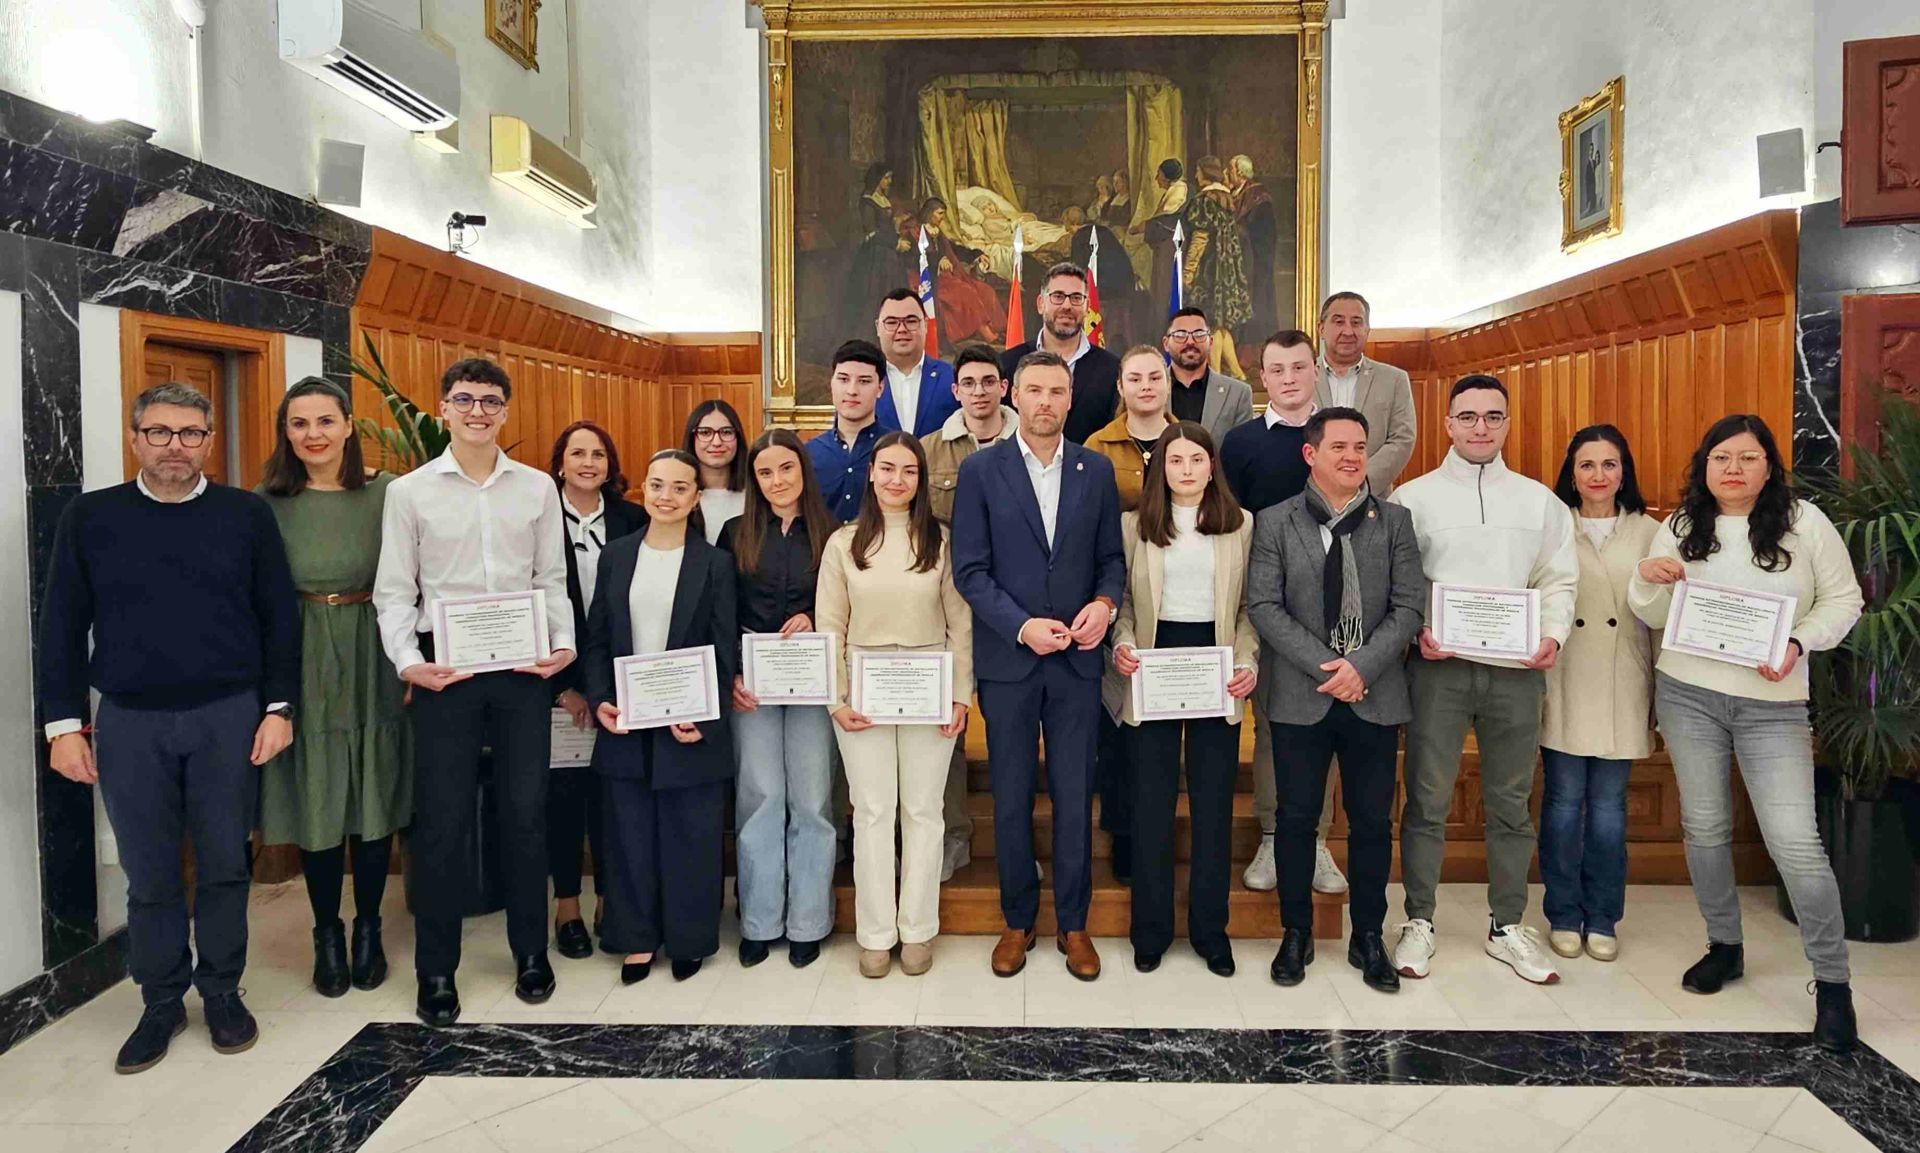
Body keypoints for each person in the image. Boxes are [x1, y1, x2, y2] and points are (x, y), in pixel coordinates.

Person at [40, 381, 297, 1073]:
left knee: (222, 864)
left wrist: (279, 708)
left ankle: (220, 991)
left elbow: (279, 617)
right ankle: (159, 1001)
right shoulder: (91, 517)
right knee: (149, 872)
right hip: (128, 721)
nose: (174, 446)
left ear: (209, 441)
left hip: (228, 716)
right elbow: (60, 627)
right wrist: (63, 725)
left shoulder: (245, 515)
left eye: (189, 433)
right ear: (135, 439)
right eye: (159, 432)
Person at [1629, 414, 1864, 1052]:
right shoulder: (1678, 527)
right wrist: (1647, 581)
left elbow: (1844, 602)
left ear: (1769, 466)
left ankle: (1833, 983)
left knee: (1795, 842)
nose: (1733, 469)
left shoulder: (1805, 523)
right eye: (1721, 458)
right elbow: (1647, 612)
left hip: (1773, 703)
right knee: (1705, 827)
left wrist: (1797, 642)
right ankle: (1724, 946)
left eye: (1748, 458)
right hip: (1689, 695)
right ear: (1703, 466)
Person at [374, 357, 577, 1027]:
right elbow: (395, 592)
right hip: (447, 673)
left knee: (526, 811)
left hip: (523, 670)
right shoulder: (410, 492)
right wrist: (409, 662)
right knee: (442, 822)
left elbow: (552, 577)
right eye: (465, 399)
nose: (478, 411)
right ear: (443, 409)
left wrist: (564, 645)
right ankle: (436, 968)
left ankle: (530, 953)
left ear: (506, 411)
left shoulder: (537, 488)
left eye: (491, 400)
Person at [1389, 374, 1578, 985]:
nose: (1479, 428)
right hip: (1438, 670)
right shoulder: (1412, 498)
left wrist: (1552, 635)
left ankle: (1507, 925)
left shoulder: (1537, 500)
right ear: (1447, 423)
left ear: (1506, 423)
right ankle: (1419, 919)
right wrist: (1418, 629)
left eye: (1492, 417)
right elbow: (1401, 582)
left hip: (1516, 672)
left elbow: (1558, 578)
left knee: (1510, 801)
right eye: (1467, 417)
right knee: (1428, 796)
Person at [952, 351, 1126, 981]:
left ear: (1071, 397)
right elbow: (969, 570)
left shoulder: (1096, 470)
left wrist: (1105, 606)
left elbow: (1112, 560)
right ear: (1011, 396)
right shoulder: (979, 470)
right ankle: (1017, 920)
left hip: (1078, 662)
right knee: (1012, 796)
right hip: (1012, 662)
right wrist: (1022, 626)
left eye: (1057, 391)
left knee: (1076, 797)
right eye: (1034, 390)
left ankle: (1073, 925)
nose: (1046, 401)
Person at [1248, 407, 1424, 993]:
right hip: (1302, 694)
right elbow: (1264, 607)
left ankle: (1368, 936)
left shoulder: (1393, 522)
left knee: (1373, 823)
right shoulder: (1275, 523)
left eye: (1359, 446)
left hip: (1374, 695)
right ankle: (1295, 933)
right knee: (1296, 820)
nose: (1352, 457)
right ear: (1311, 454)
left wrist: (1362, 667)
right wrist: (1330, 667)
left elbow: (1408, 608)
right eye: (1339, 447)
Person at [256, 378, 410, 998]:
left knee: (373, 792)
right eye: (299, 424)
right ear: (285, 433)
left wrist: (411, 662)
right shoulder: (265, 502)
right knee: (319, 796)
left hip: (375, 643)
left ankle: (369, 927)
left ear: (349, 424)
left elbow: (416, 578)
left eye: (325, 421)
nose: (313, 435)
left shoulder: (389, 493)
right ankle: (326, 932)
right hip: (302, 651)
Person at [818, 433, 974, 977]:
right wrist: (835, 700)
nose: (896, 480)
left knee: (924, 813)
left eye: (909, 471)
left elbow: (961, 622)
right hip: (863, 692)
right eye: (887, 469)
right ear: (871, 474)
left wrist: (959, 695)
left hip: (929, 689)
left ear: (921, 480)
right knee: (874, 812)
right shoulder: (844, 543)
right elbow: (830, 626)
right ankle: (876, 932)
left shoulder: (942, 542)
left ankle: (918, 929)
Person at [1107, 423, 1257, 976]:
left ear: (1212, 465)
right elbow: (1120, 603)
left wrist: (1247, 661)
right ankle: (1150, 930)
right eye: (1176, 460)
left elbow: (1248, 610)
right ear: (1160, 468)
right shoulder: (1133, 527)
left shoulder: (1241, 526)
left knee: (1213, 806)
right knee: (1151, 802)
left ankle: (1209, 932)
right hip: (1154, 661)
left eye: (1197, 459)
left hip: (1215, 663)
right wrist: (1121, 646)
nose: (1187, 469)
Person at [583, 450, 738, 984]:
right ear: (642, 491)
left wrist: (705, 713)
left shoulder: (715, 563)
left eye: (678, 487)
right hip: (626, 719)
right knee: (628, 832)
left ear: (696, 497)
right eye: (656, 485)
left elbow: (724, 650)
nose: (665, 496)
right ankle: (636, 938)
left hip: (691, 723)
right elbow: (597, 637)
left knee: (690, 833)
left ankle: (690, 937)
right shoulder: (617, 557)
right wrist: (601, 696)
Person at [1219, 331, 1348, 898]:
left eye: (1299, 367)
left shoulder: (1342, 435)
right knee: (1272, 725)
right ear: (1262, 379)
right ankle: (1274, 835)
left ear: (1315, 372)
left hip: (1337, 606)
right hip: (1267, 605)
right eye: (1277, 369)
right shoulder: (1241, 442)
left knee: (1329, 725)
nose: (1290, 378)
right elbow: (1229, 527)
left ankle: (1315, 840)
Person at [1539, 425, 1658, 964]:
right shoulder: (1552, 524)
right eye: (1587, 465)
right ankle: (1563, 913)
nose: (1598, 476)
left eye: (1609, 464)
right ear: (1571, 472)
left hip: (1623, 681)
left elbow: (1660, 617)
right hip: (1563, 676)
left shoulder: (1653, 531)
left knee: (1609, 809)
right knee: (1563, 805)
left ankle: (1604, 915)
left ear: (1624, 471)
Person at [719, 429, 837, 969]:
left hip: (814, 683)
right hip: (755, 687)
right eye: (765, 472)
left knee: (811, 800)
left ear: (803, 471)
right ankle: (760, 919)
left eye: (786, 469)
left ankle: (809, 919)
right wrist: (730, 676)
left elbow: (843, 606)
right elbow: (718, 613)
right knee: (760, 796)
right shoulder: (732, 533)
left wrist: (814, 617)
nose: (776, 481)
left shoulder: (832, 532)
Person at [548, 421, 649, 959]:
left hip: (618, 684)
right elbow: (530, 602)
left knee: (613, 796)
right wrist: (565, 688)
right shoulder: (538, 520)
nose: (588, 462)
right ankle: (567, 906)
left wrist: (609, 685)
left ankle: (612, 899)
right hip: (558, 687)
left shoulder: (632, 519)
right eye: (577, 453)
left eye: (598, 454)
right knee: (564, 797)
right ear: (560, 462)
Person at [924, 345, 1019, 880]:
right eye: (969, 383)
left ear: (1004, 388)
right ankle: (952, 833)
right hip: (947, 609)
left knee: (1014, 732)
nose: (979, 391)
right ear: (955, 391)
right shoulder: (928, 451)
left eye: (989, 381)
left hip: (1014, 610)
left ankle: (1019, 839)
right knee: (949, 726)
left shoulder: (1030, 446)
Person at [998, 262, 1122, 445]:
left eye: (1076, 298)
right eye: (1058, 296)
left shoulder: (1112, 369)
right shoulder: (1008, 364)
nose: (1067, 305)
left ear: (1087, 306)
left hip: (1087, 471)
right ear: (1041, 304)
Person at [1314, 292, 1417, 496]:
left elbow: (1402, 438)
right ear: (1321, 329)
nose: (1348, 330)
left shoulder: (1394, 379)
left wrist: (1360, 481)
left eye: (1356, 322)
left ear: (1367, 330)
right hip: (1311, 496)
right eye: (1339, 321)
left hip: (1373, 498)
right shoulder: (1301, 376)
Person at [1180, 157, 1250, 377]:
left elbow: (1200, 239)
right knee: (1220, 325)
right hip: (1226, 266)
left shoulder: (1203, 200)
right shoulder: (1225, 198)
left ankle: (1217, 374)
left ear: (1205, 173)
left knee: (1211, 324)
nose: (1195, 176)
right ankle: (1237, 373)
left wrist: (1188, 272)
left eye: (1198, 171)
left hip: (1208, 268)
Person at [1086, 344, 1174, 513]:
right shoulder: (1098, 445)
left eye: (1155, 378)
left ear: (1168, 384)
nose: (1146, 386)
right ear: (1120, 387)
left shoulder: (1190, 441)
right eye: (1135, 379)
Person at [807, 340, 887, 524]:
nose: (852, 391)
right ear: (832, 383)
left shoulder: (897, 450)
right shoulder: (809, 454)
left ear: (880, 388)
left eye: (864, 381)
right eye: (843, 379)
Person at [872, 288, 959, 440]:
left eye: (911, 321)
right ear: (878, 327)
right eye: (891, 322)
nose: (901, 330)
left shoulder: (951, 378)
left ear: (925, 325)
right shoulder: (865, 382)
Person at [1163, 307, 1254, 447]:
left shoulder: (1238, 394)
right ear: (1166, 344)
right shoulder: (1151, 390)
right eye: (1180, 335)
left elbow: (1242, 452)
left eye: (1199, 334)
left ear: (1211, 342)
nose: (1190, 342)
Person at [919, 197, 1002, 347]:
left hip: (948, 275)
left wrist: (976, 254)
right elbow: (918, 256)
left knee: (984, 290)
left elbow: (955, 250)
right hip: (929, 277)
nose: (942, 217)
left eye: (943, 213)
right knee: (966, 292)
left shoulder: (938, 232)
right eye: (939, 213)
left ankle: (991, 329)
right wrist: (939, 260)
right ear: (929, 213)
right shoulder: (917, 231)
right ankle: (987, 334)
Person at [1227, 155, 1278, 345]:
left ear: (1240, 173)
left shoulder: (1259, 197)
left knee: (1257, 302)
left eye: (1230, 170)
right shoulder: (1236, 194)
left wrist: (1241, 232)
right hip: (1240, 259)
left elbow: (1265, 234)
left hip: (1256, 260)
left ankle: (1253, 348)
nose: (1227, 173)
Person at [684, 400, 748, 546]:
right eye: (705, 432)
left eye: (726, 432)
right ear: (691, 438)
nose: (717, 442)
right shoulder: (678, 495)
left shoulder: (755, 494)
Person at [1138, 159, 1190, 321]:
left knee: (1164, 290)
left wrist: (1145, 226)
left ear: (1167, 177)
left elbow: (1168, 222)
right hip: (1166, 248)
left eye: (1158, 174)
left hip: (1170, 250)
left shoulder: (1179, 192)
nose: (1156, 178)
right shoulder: (1174, 190)